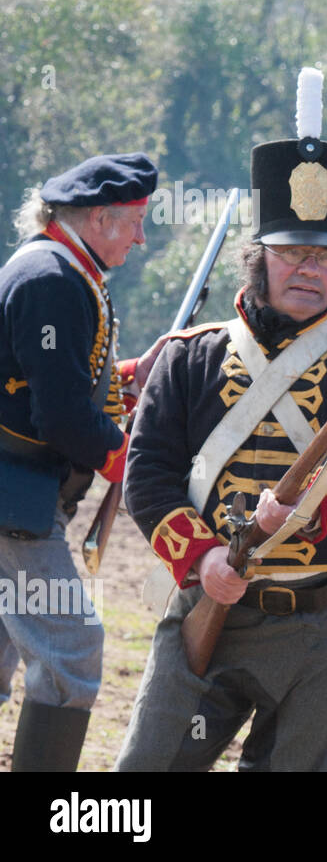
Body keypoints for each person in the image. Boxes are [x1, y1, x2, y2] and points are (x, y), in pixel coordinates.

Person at [114, 69, 327, 771]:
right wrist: (204, 558)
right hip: (208, 606)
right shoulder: (193, 358)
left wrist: (301, 509)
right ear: (259, 258)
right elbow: (148, 476)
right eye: (292, 253)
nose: (309, 269)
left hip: (324, 623)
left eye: (324, 256)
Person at [0, 152, 163, 771]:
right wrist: (121, 453)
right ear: (100, 218)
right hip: (13, 498)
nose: (143, 236)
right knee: (71, 648)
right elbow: (61, 417)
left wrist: (121, 378)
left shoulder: (59, 269)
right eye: (136, 220)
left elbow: (47, 381)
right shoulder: (51, 279)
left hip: (19, 491)